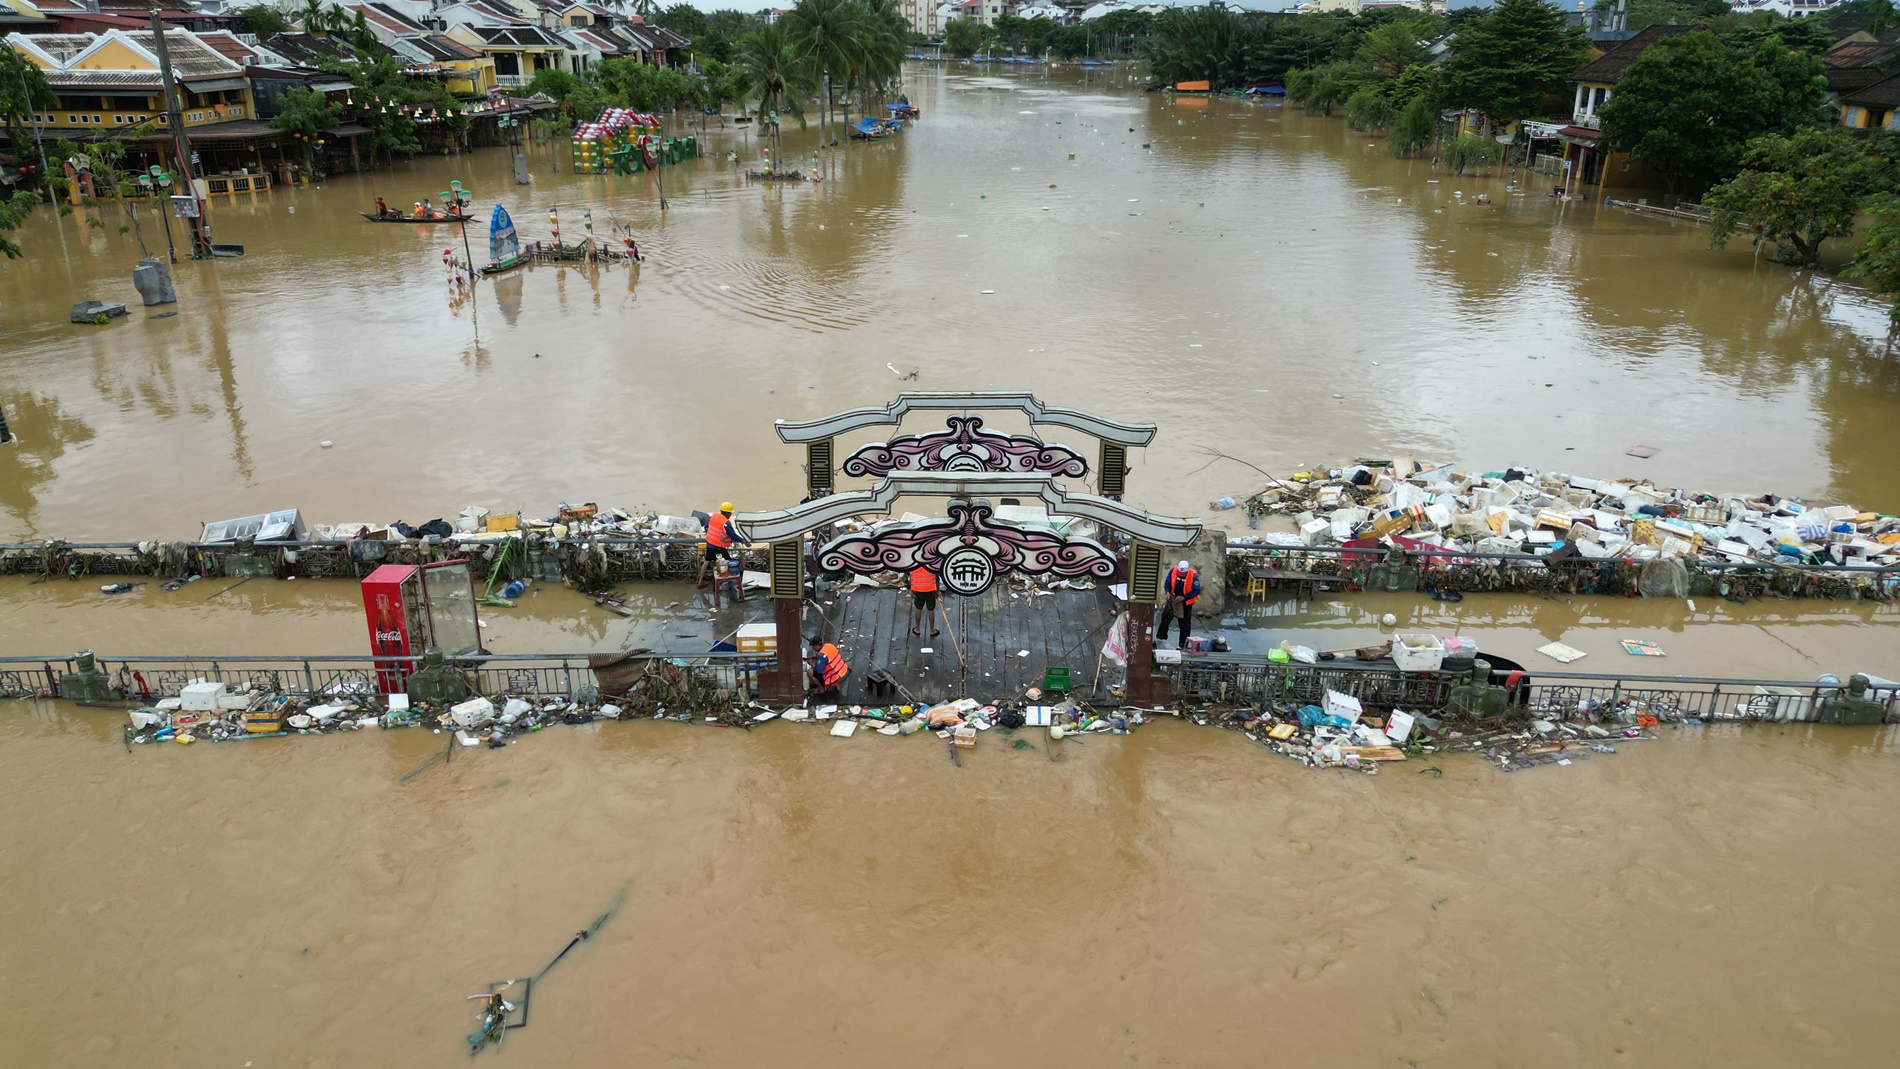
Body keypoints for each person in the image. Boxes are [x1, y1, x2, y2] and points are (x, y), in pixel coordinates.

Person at [1155, 559, 1200, 650]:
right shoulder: (1173, 571)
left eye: (1182, 573)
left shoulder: (1193, 576)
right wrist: (1167, 592)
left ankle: (1183, 644)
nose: (1180, 574)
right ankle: (1161, 638)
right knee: (1165, 618)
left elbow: (1197, 590)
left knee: (1185, 624)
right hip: (1173, 599)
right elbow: (1167, 582)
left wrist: (1184, 597)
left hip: (1185, 603)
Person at [696, 502, 739, 588]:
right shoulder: (726, 522)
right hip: (719, 547)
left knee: (706, 562)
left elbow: (705, 527)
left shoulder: (714, 516)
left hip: (710, 544)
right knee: (728, 562)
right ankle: (730, 582)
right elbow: (733, 535)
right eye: (730, 513)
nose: (730, 514)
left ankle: (700, 582)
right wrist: (744, 541)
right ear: (726, 513)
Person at [909, 564, 939, 638]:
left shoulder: (914, 566)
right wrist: (937, 591)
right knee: (931, 610)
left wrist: (912, 590)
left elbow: (911, 579)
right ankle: (932, 630)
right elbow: (937, 580)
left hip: (918, 590)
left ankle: (917, 629)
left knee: (918, 609)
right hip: (930, 590)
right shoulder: (931, 565)